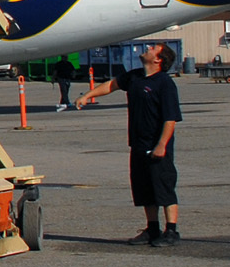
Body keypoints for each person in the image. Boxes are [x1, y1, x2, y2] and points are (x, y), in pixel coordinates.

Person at [75, 43, 182, 246]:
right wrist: (88, 95)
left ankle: (171, 231)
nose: (148, 47)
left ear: (158, 59)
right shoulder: (135, 76)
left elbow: (170, 119)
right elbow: (111, 85)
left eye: (153, 48)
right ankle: (152, 229)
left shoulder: (164, 83)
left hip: (157, 144)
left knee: (163, 187)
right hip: (138, 143)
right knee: (144, 188)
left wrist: (162, 145)